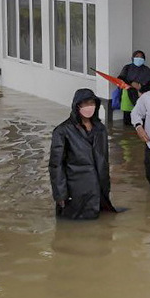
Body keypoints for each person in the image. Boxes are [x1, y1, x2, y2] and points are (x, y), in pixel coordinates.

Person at [49, 88, 116, 220]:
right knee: (73, 229)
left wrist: (105, 188)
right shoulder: (62, 131)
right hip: (75, 191)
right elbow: (56, 165)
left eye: (91, 103)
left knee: (101, 231)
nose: (89, 107)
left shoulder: (100, 129)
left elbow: (104, 160)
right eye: (85, 104)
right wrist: (60, 195)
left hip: (98, 190)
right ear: (77, 106)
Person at [117, 50, 150, 126]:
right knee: (128, 121)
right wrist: (131, 83)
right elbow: (120, 79)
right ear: (133, 58)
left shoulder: (147, 70)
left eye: (141, 57)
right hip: (128, 96)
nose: (139, 58)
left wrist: (141, 86)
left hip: (142, 96)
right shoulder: (127, 68)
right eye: (137, 57)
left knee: (141, 120)